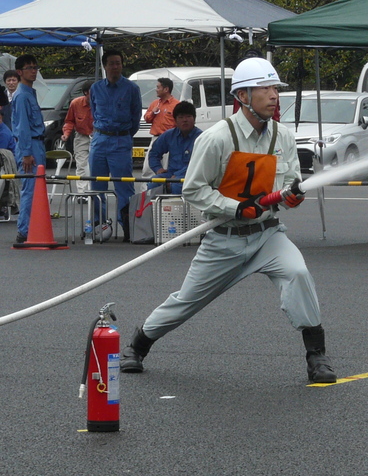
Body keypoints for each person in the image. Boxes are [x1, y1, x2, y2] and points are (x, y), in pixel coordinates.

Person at [120, 58, 337, 384]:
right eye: (265, 88)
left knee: (298, 273)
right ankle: (138, 346)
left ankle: (316, 356)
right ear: (243, 96)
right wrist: (234, 208)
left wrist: (292, 197)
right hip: (225, 239)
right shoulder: (216, 138)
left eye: (275, 88)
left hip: (268, 235)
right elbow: (193, 190)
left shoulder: (284, 136)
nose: (274, 95)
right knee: (186, 302)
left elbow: (289, 181)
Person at [89, 50, 142, 242]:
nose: (115, 67)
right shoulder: (96, 88)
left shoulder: (131, 88)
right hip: (100, 139)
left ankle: (127, 226)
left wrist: (124, 136)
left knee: (124, 186)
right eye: (111, 63)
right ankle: (98, 225)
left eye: (118, 63)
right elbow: (94, 113)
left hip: (121, 140)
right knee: (96, 185)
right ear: (104, 66)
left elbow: (135, 118)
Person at [11, 54, 46, 244]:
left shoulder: (30, 93)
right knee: (30, 188)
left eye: (35, 67)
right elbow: (22, 126)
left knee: (37, 188)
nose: (33, 71)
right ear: (19, 72)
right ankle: (24, 230)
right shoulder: (22, 95)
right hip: (30, 144)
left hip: (37, 142)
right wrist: (26, 153)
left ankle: (32, 227)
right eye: (29, 68)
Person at [146, 101, 202, 194]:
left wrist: (177, 176)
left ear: (194, 119)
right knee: (154, 183)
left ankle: (180, 209)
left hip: (191, 176)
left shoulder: (201, 138)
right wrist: (158, 169)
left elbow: (200, 163)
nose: (185, 120)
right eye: (181, 117)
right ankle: (155, 208)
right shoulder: (169, 135)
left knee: (176, 185)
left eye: (188, 116)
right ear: (175, 120)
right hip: (170, 174)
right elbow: (154, 153)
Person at [61, 80, 94, 195]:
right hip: (81, 136)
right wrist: (66, 134)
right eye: (91, 92)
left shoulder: (102, 103)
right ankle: (82, 192)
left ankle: (94, 190)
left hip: (98, 136)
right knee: (81, 165)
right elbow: (69, 121)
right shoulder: (76, 103)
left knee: (96, 165)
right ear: (85, 93)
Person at [142, 77, 179, 178]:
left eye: (158, 87)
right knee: (148, 169)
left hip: (169, 140)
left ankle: (164, 192)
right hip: (155, 139)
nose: (156, 89)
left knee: (166, 169)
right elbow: (146, 118)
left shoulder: (176, 105)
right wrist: (153, 112)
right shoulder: (155, 103)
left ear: (166, 89)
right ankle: (147, 193)